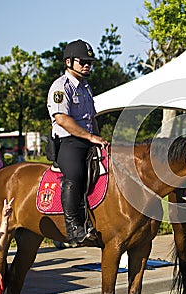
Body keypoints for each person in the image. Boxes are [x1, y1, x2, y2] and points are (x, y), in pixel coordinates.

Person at [47, 39, 108, 247]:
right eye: (82, 61)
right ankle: (73, 228)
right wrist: (90, 137)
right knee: (75, 174)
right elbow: (62, 119)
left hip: (89, 140)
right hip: (68, 142)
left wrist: (99, 139)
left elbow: (92, 118)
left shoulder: (86, 87)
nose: (86, 65)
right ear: (68, 62)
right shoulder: (60, 87)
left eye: (89, 61)